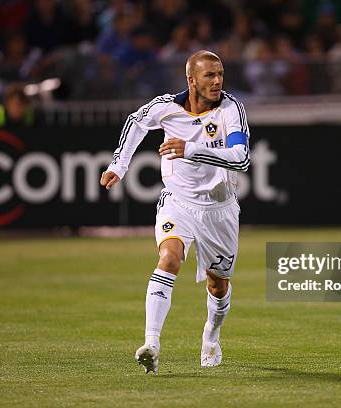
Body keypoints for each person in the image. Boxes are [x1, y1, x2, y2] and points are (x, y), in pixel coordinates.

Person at [99, 50, 250, 374]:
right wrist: (119, 165)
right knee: (169, 258)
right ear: (191, 79)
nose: (218, 81)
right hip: (178, 201)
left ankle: (212, 331)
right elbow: (135, 123)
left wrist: (190, 149)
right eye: (210, 75)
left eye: (220, 73)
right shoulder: (165, 106)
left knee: (218, 286)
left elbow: (241, 158)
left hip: (219, 209)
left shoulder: (230, 108)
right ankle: (151, 344)